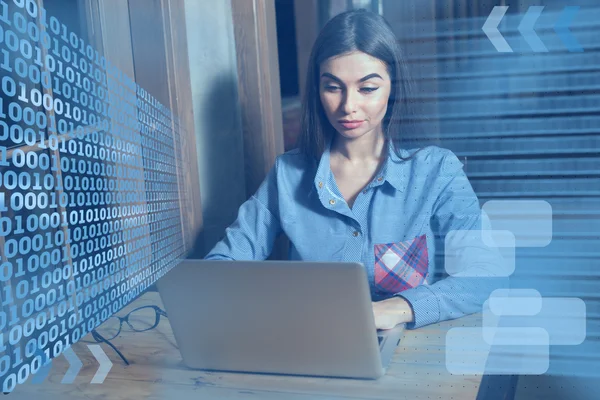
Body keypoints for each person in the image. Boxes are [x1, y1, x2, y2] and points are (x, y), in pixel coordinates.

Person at [205, 9, 509, 330]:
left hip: (405, 357)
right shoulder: (287, 174)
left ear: (392, 87)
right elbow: (221, 267)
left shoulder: (437, 172)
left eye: (367, 88)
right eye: (333, 87)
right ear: (317, 90)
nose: (348, 106)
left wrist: (398, 307)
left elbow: (486, 276)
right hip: (309, 341)